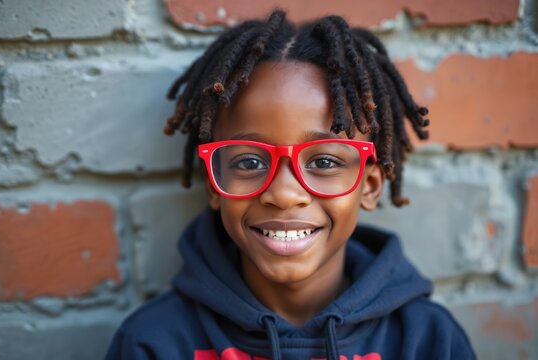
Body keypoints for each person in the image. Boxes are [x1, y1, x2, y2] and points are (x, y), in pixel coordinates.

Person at [106, 10, 476, 360]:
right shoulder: (153, 343)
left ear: (370, 185)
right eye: (249, 162)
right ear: (214, 184)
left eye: (324, 162)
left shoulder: (428, 341)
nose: (283, 194)